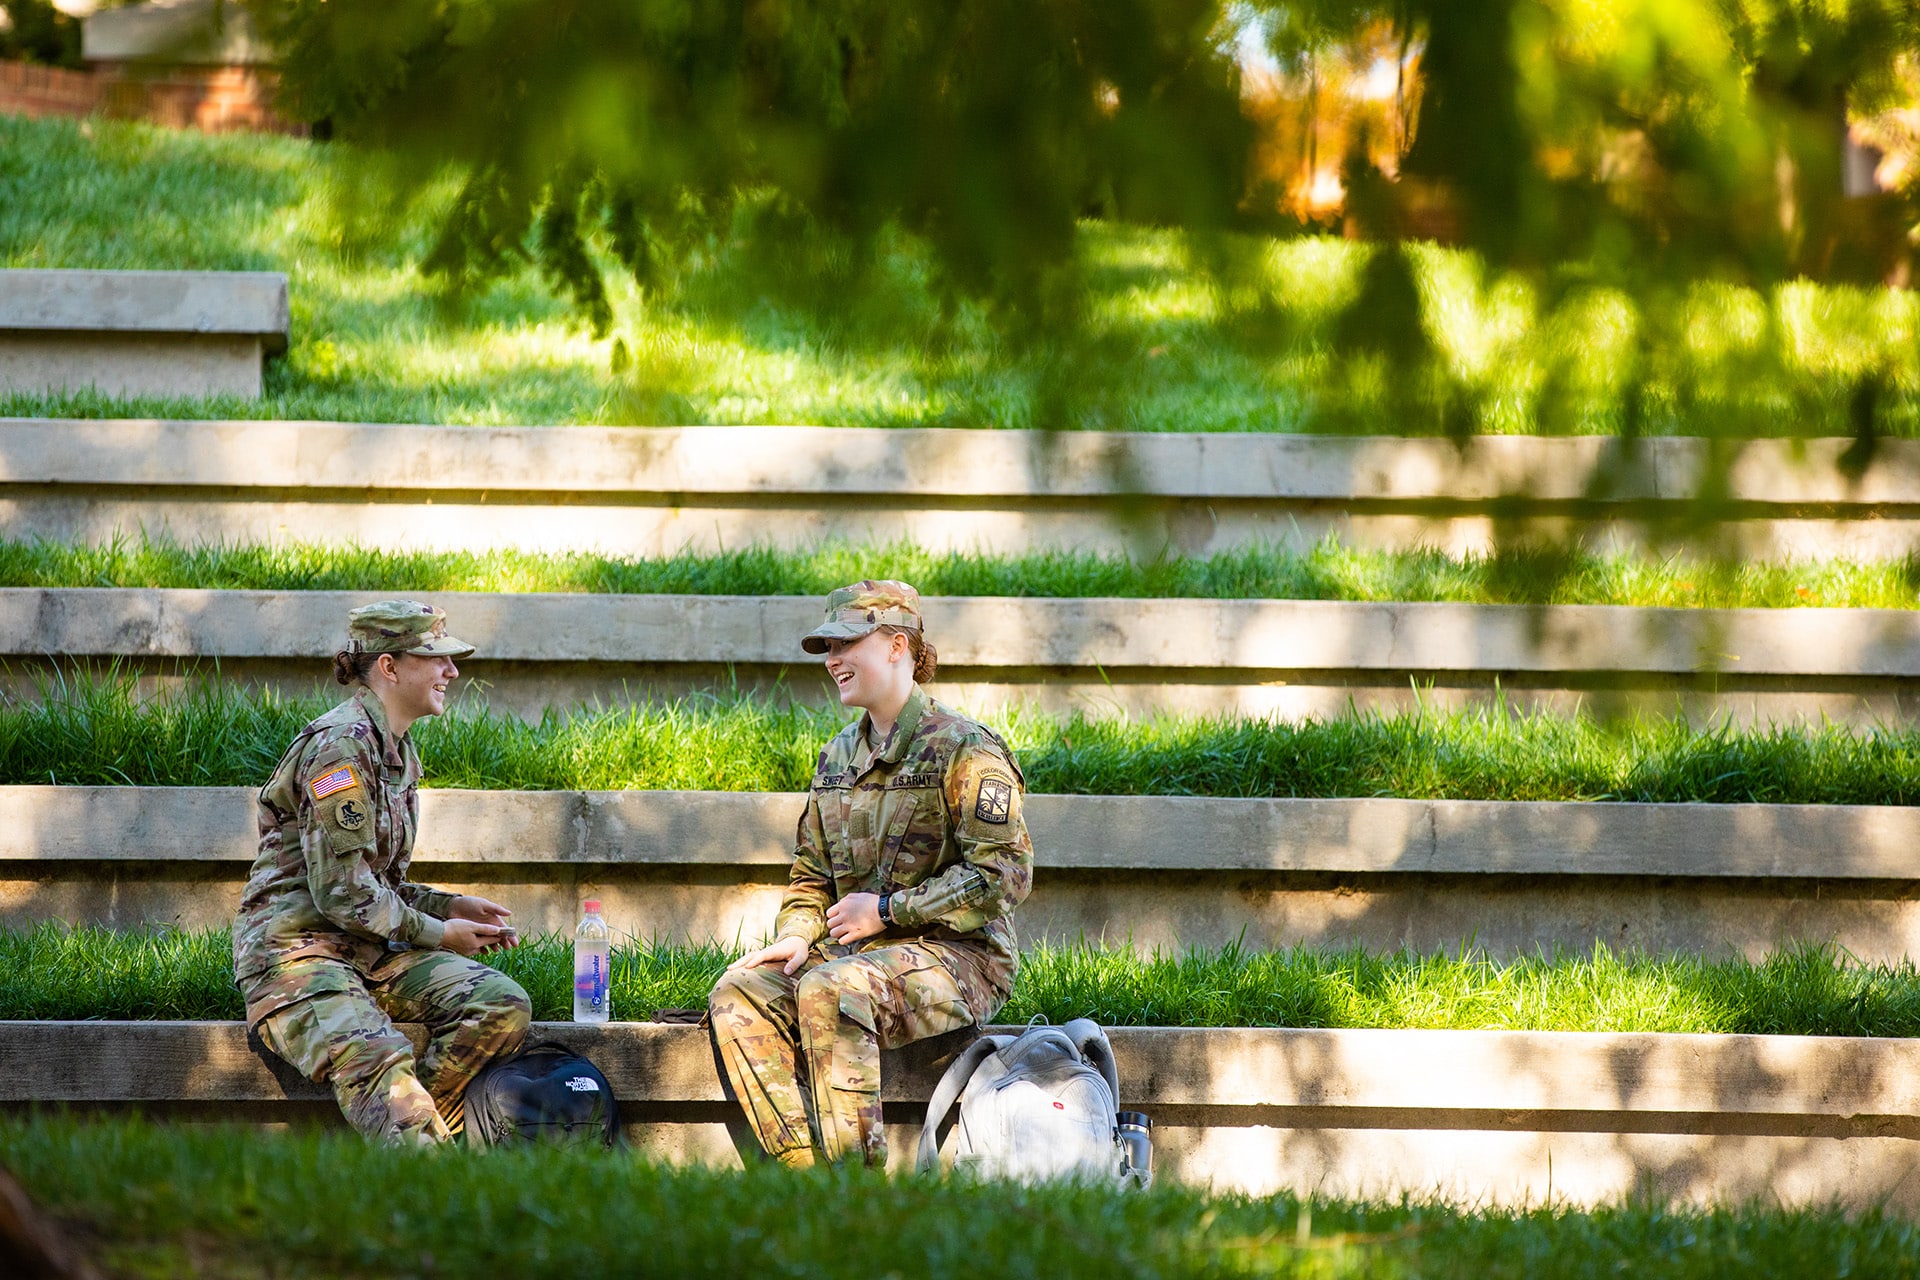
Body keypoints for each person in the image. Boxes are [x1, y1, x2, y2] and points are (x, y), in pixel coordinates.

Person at [708, 580, 1034, 1168]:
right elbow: (811, 871)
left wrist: (887, 912)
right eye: (825, 648)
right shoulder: (837, 757)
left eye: (845, 642)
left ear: (895, 645)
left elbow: (1004, 874)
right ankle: (805, 1176)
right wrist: (796, 934)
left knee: (834, 990)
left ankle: (858, 1191)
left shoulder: (965, 749)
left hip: (961, 958)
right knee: (741, 990)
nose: (832, 660)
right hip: (858, 955)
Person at [233, 600, 531, 1145]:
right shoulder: (339, 750)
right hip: (298, 958)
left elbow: (376, 882)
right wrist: (441, 934)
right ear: (389, 667)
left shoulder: (394, 749)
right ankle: (420, 1166)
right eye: (434, 657)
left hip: (367, 952)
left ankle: (415, 1145)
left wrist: (447, 906)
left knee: (501, 1004)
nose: (452, 671)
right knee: (380, 1062)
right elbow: (343, 893)